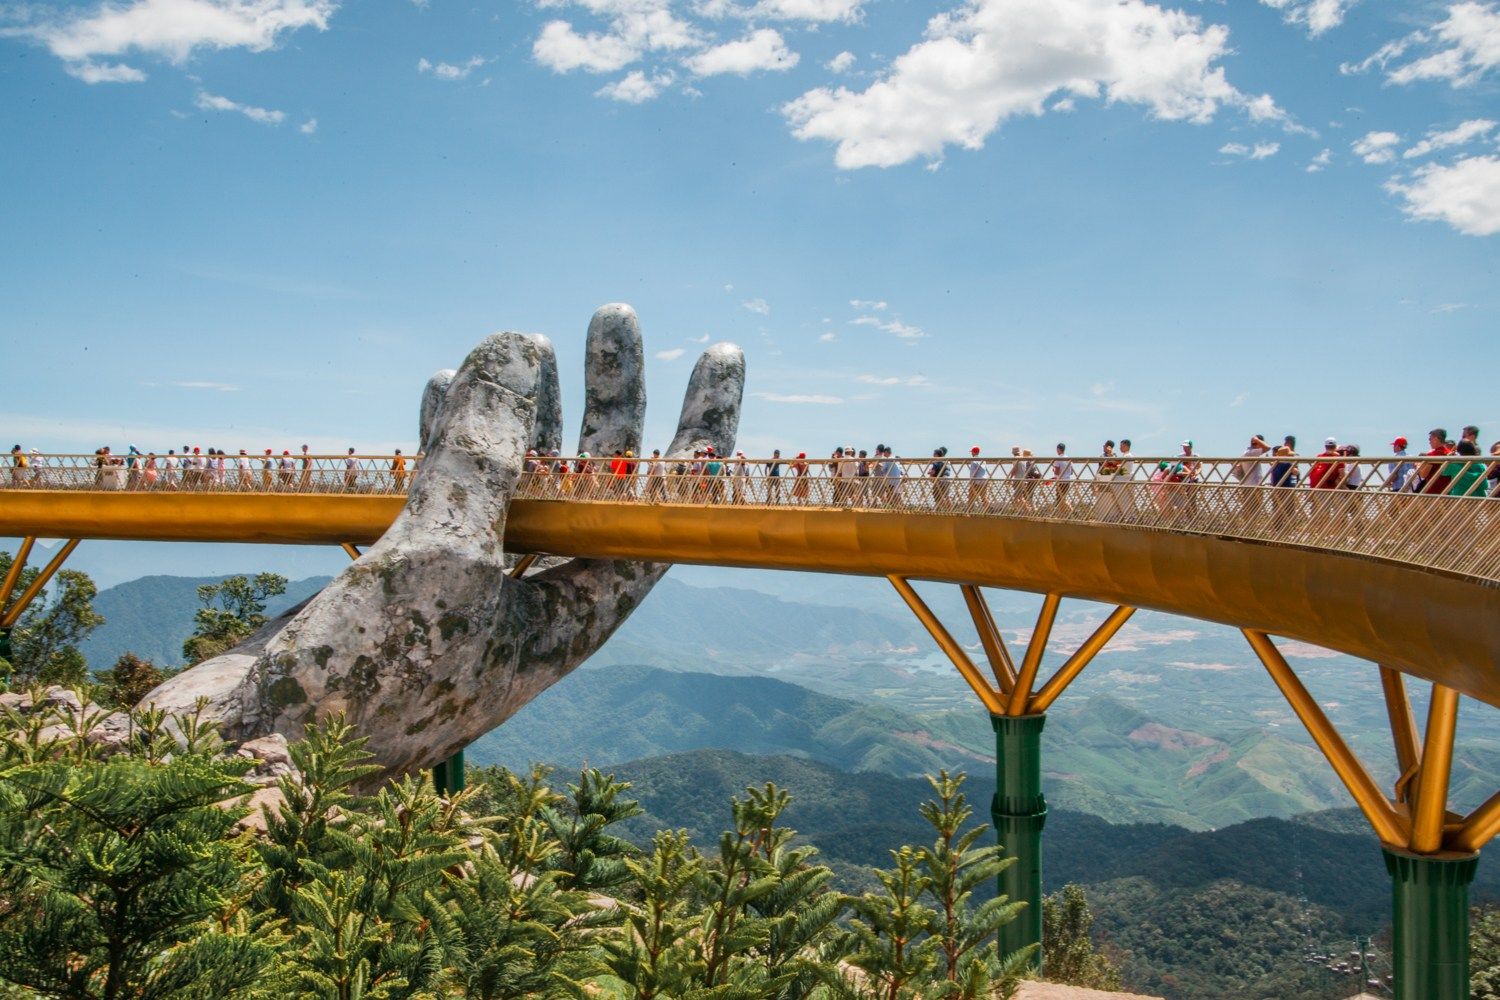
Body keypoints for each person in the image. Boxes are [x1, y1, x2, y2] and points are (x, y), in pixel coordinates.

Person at [1417, 428, 1455, 494]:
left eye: (1430, 439)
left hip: (1433, 493)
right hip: (1448, 492)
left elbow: (1423, 475)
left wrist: (1418, 466)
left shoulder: (1433, 455)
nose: (1429, 441)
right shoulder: (1449, 453)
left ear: (1436, 439)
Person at [1051, 443, 1073, 511]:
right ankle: (1064, 514)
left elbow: (1057, 472)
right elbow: (1071, 472)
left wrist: (1054, 470)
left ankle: (1071, 511)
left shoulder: (1058, 459)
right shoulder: (1068, 458)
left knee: (1060, 499)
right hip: (1067, 481)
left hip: (1061, 482)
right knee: (1063, 499)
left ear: (1058, 449)